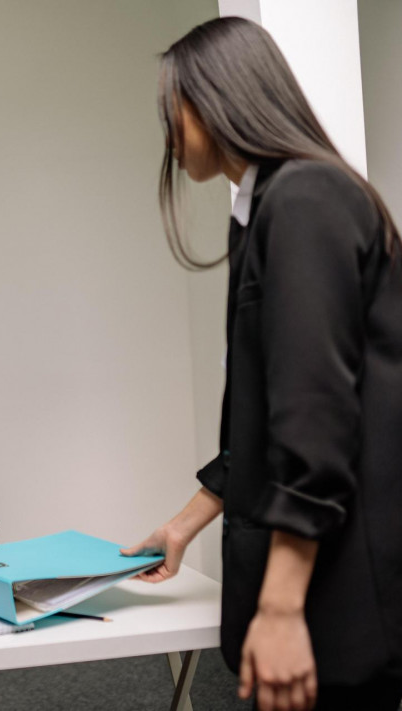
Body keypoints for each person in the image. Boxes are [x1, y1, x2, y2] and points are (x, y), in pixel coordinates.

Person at [120, 17, 402, 711]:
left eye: (173, 110)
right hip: (311, 587)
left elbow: (314, 423)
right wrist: (184, 524)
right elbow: (261, 421)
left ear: (219, 101)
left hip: (338, 598)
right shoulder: (263, 210)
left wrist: (280, 610)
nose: (167, 133)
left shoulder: (305, 198)